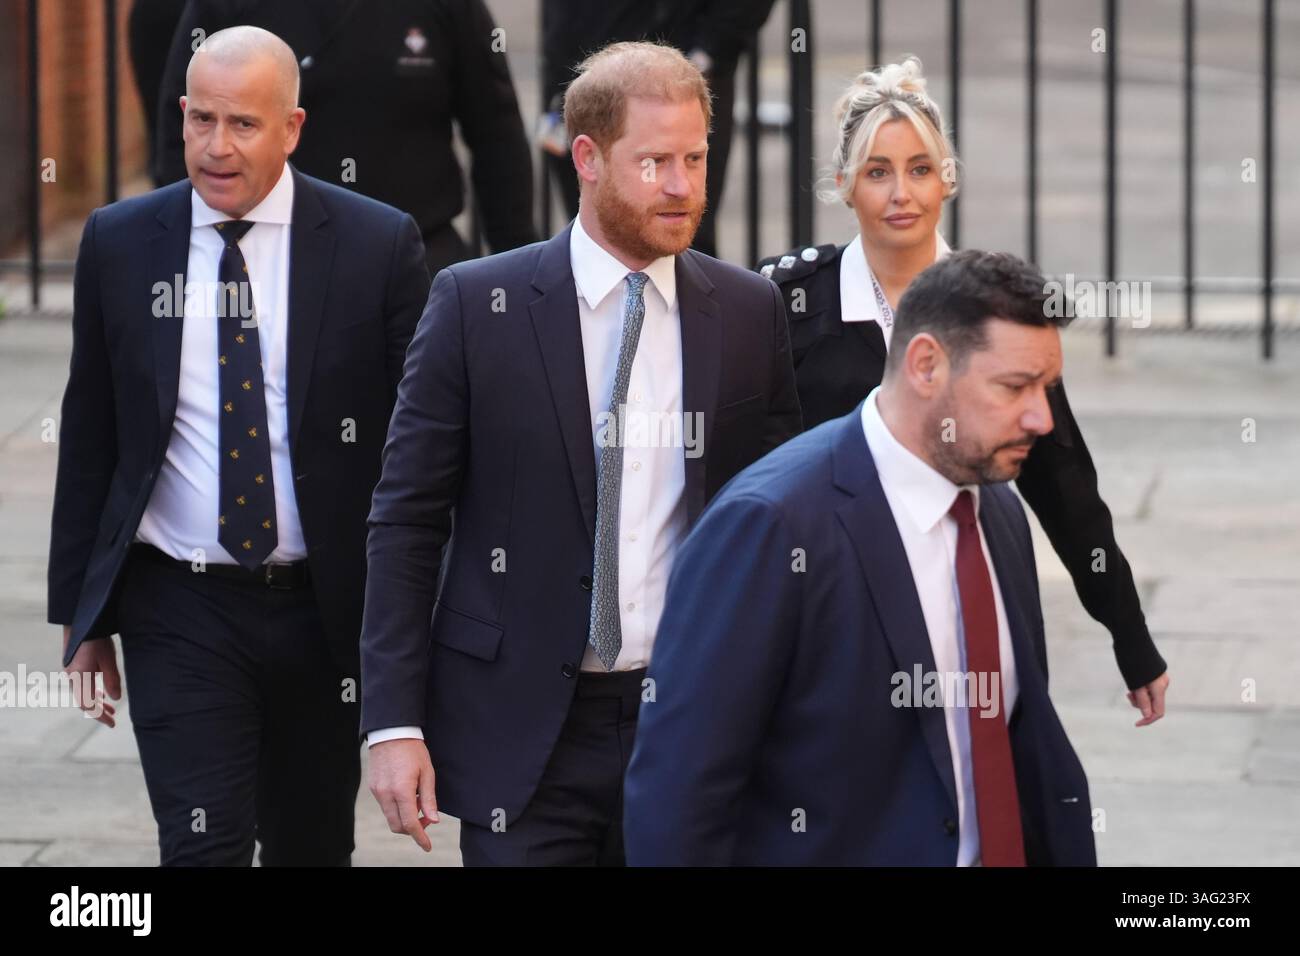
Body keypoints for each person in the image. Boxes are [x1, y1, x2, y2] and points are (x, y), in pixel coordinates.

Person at [361, 41, 802, 867]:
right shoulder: (474, 306)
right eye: (655, 162)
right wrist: (393, 722)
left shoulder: (748, 313)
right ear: (588, 157)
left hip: (690, 725)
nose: (682, 186)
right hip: (521, 733)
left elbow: (776, 530)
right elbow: (406, 521)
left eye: (696, 158)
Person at [48, 26, 429, 865]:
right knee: (201, 846)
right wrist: (82, 619)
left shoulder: (376, 244)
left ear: (292, 128)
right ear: (180, 116)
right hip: (177, 604)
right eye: (202, 120)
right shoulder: (120, 242)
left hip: (325, 610)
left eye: (244, 125)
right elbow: (90, 433)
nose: (217, 147)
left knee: (311, 846)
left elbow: (419, 451)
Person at [625, 251, 1097, 866]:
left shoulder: (997, 511)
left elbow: (1018, 750)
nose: (1041, 417)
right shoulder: (771, 525)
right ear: (926, 364)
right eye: (1014, 387)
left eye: (1048, 389)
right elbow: (678, 800)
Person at [757, 57, 1169, 718]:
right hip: (830, 617)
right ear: (842, 185)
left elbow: (1065, 488)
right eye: (877, 172)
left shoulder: (996, 309)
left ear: (947, 179)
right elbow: (752, 480)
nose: (902, 194)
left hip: (964, 606)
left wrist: (1130, 633)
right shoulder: (789, 307)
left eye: (921, 169)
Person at [154, 0, 538, 274]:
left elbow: (496, 133)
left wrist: (517, 267)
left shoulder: (448, 9)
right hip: (265, 260)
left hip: (420, 255)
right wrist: (191, 250)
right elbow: (181, 126)